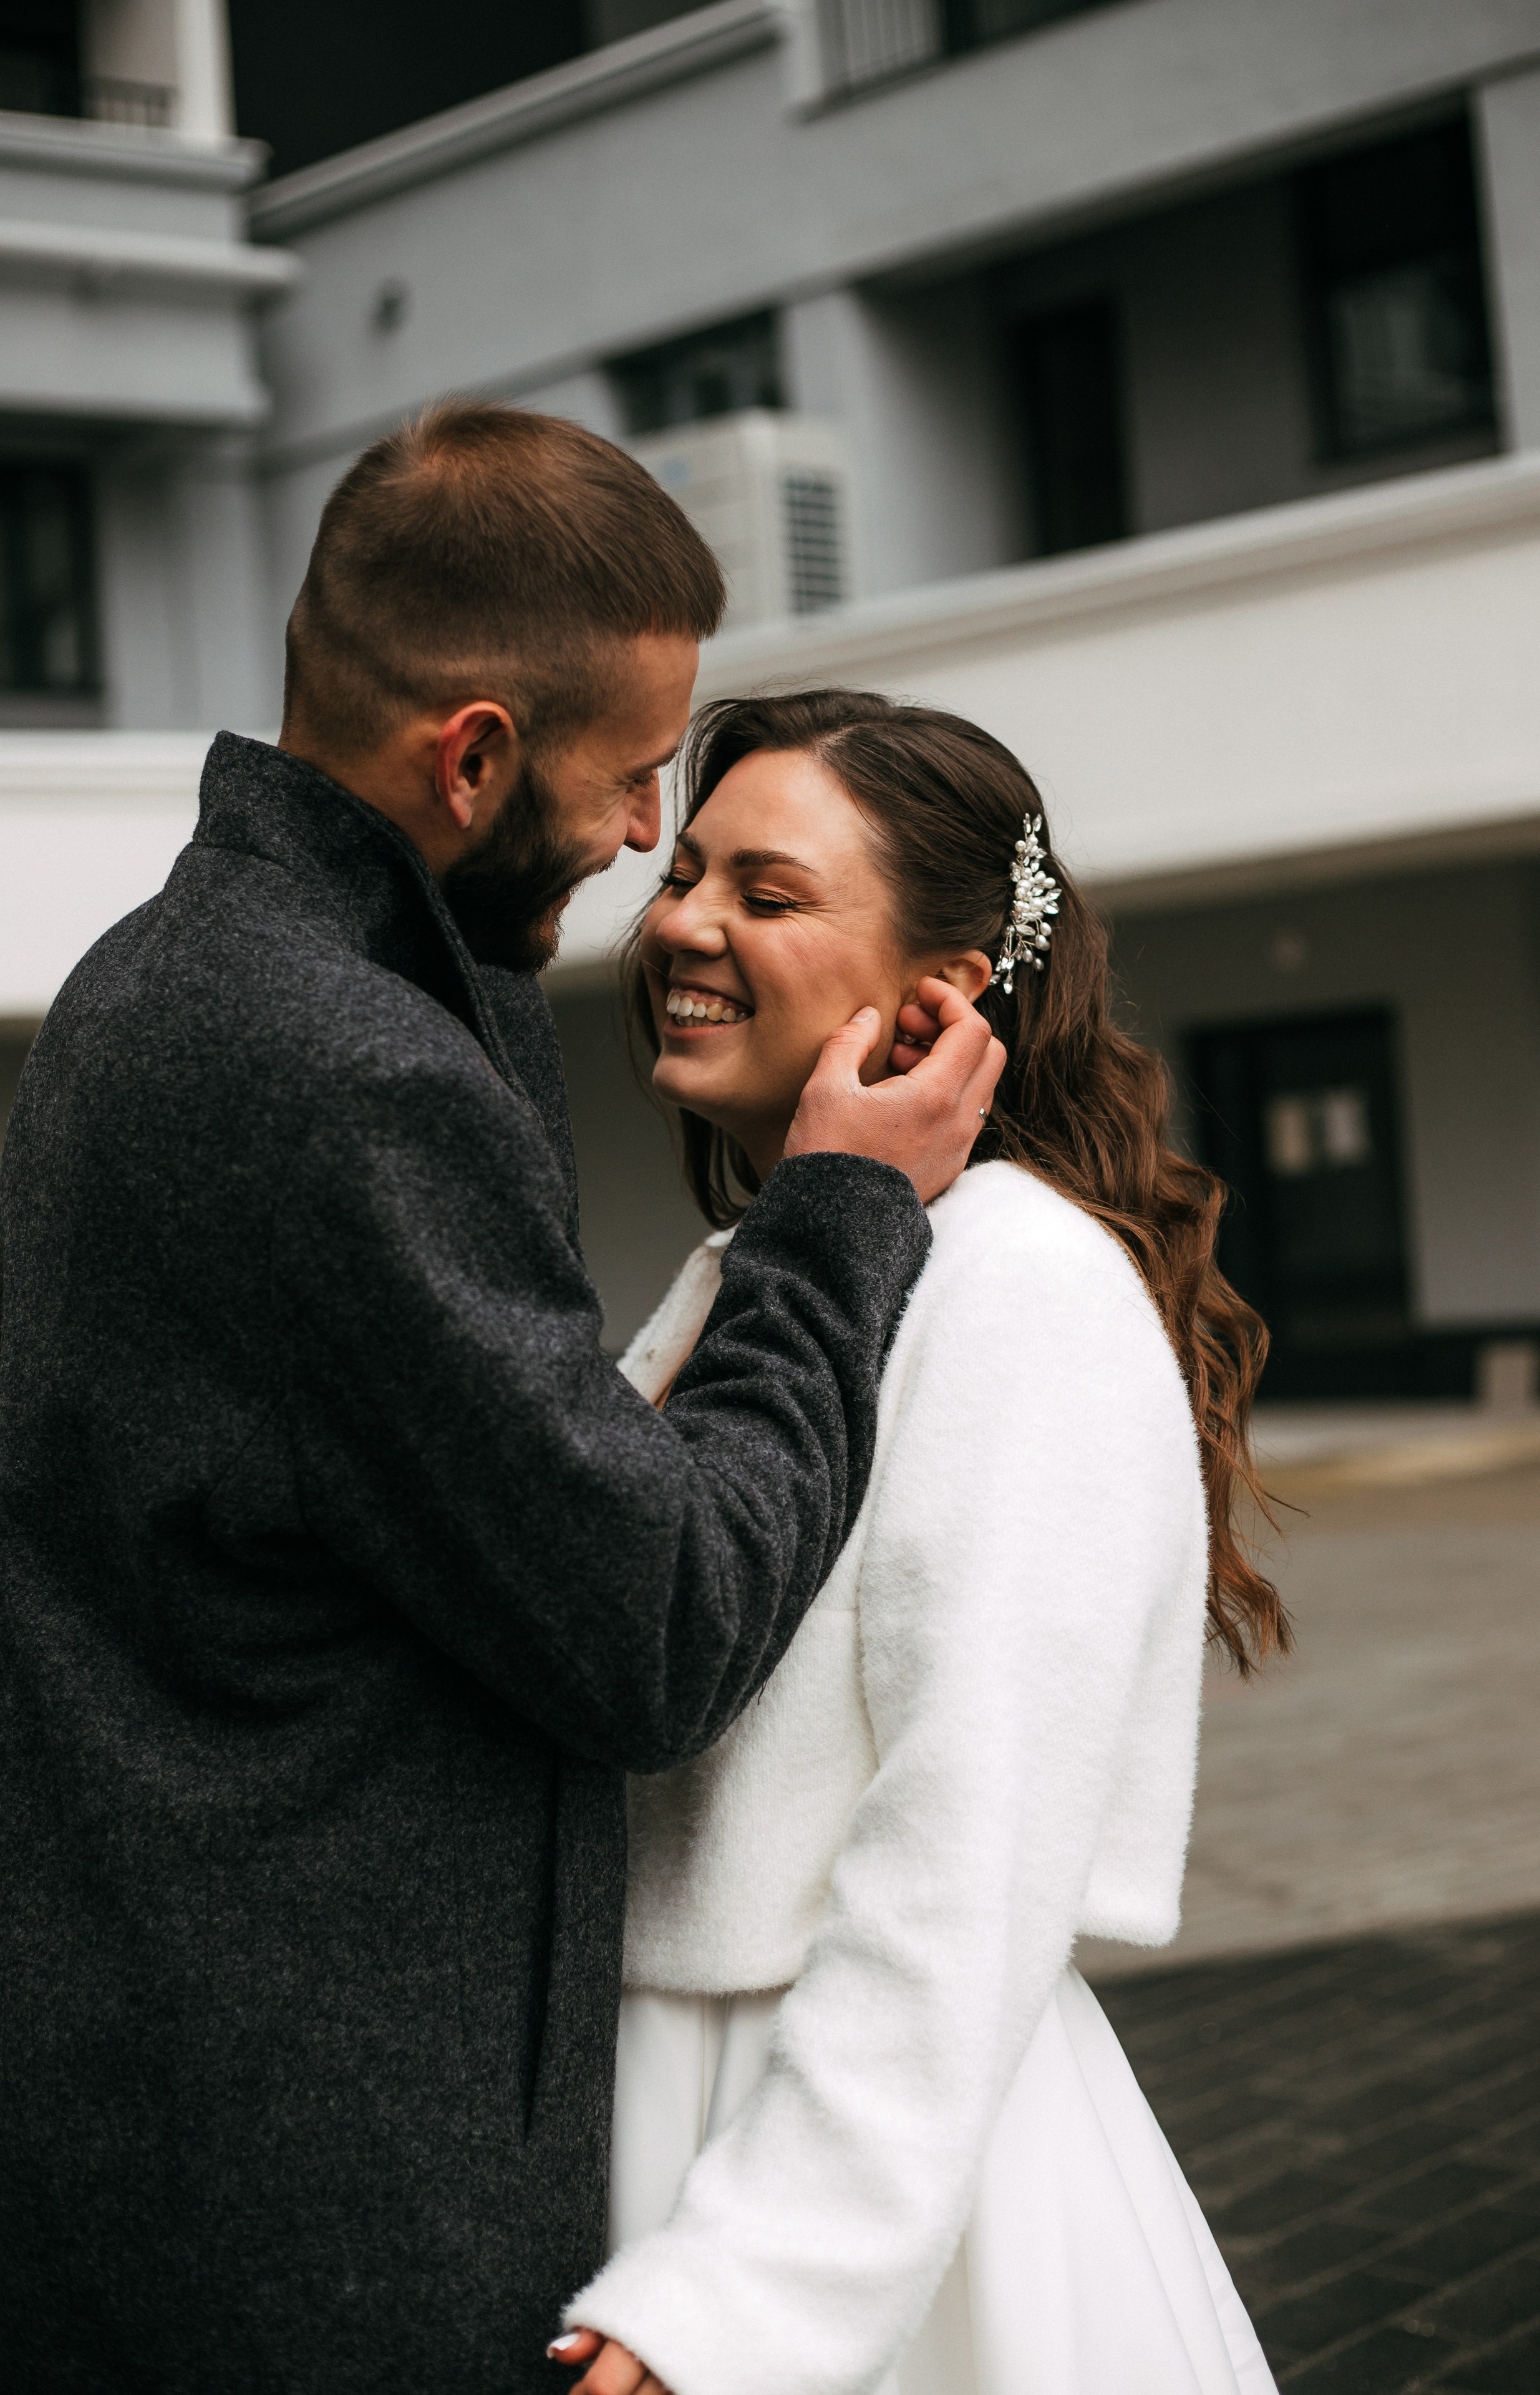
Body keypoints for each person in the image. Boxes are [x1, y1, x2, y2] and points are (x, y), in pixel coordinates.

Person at [0, 416, 1002, 2393]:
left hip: (158, 2104)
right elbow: (654, 1626)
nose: (650, 841)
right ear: (469, 756)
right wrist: (846, 1217)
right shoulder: (335, 1074)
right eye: (637, 778)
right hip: (309, 2205)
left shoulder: (159, 982)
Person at [553, 690, 1289, 2395]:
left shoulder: (1017, 1282)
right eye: (684, 872)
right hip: (664, 2111)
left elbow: (973, 1851)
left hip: (849, 2171)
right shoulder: (748, 1273)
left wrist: (747, 2299)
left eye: (769, 891)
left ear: (942, 998)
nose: (683, 924)